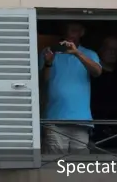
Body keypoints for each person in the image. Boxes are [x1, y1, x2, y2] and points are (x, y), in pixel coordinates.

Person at [40, 23, 103, 154]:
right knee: (53, 166)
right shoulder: (49, 52)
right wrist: (48, 62)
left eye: (74, 31)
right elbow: (43, 82)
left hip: (81, 120)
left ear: (82, 33)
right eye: (68, 31)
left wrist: (77, 53)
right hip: (55, 118)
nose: (70, 35)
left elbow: (97, 72)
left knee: (80, 166)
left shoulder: (89, 54)